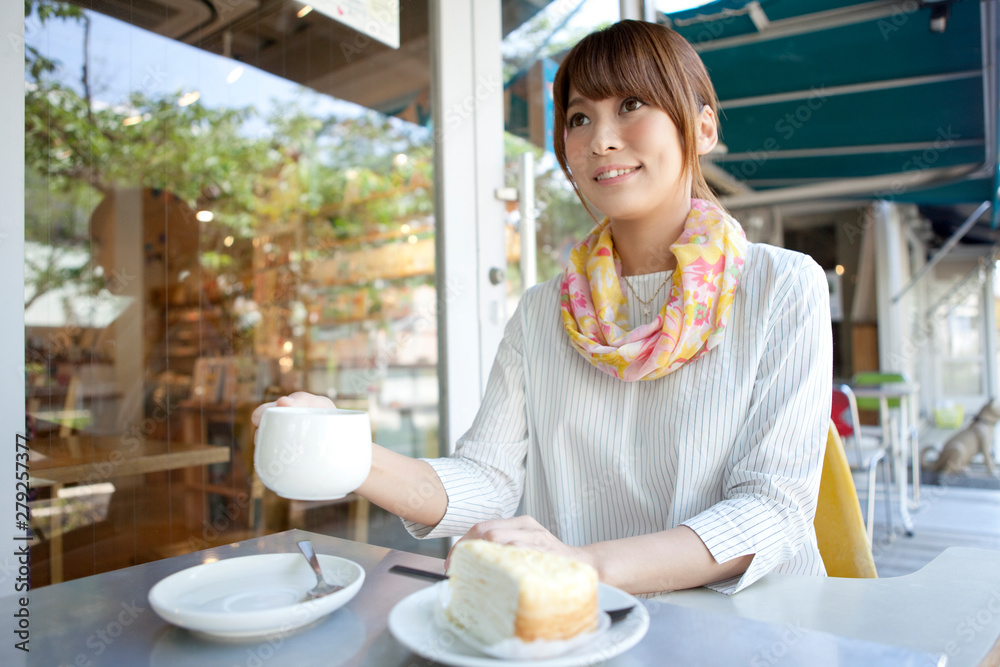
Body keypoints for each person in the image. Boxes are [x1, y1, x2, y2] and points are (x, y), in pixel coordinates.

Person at [252, 20, 831, 596]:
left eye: (631, 104)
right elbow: (489, 480)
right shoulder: (542, 312)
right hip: (582, 625)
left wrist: (584, 565)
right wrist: (344, 449)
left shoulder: (782, 286)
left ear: (702, 128)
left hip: (751, 627)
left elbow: (772, 507)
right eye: (579, 118)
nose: (601, 138)